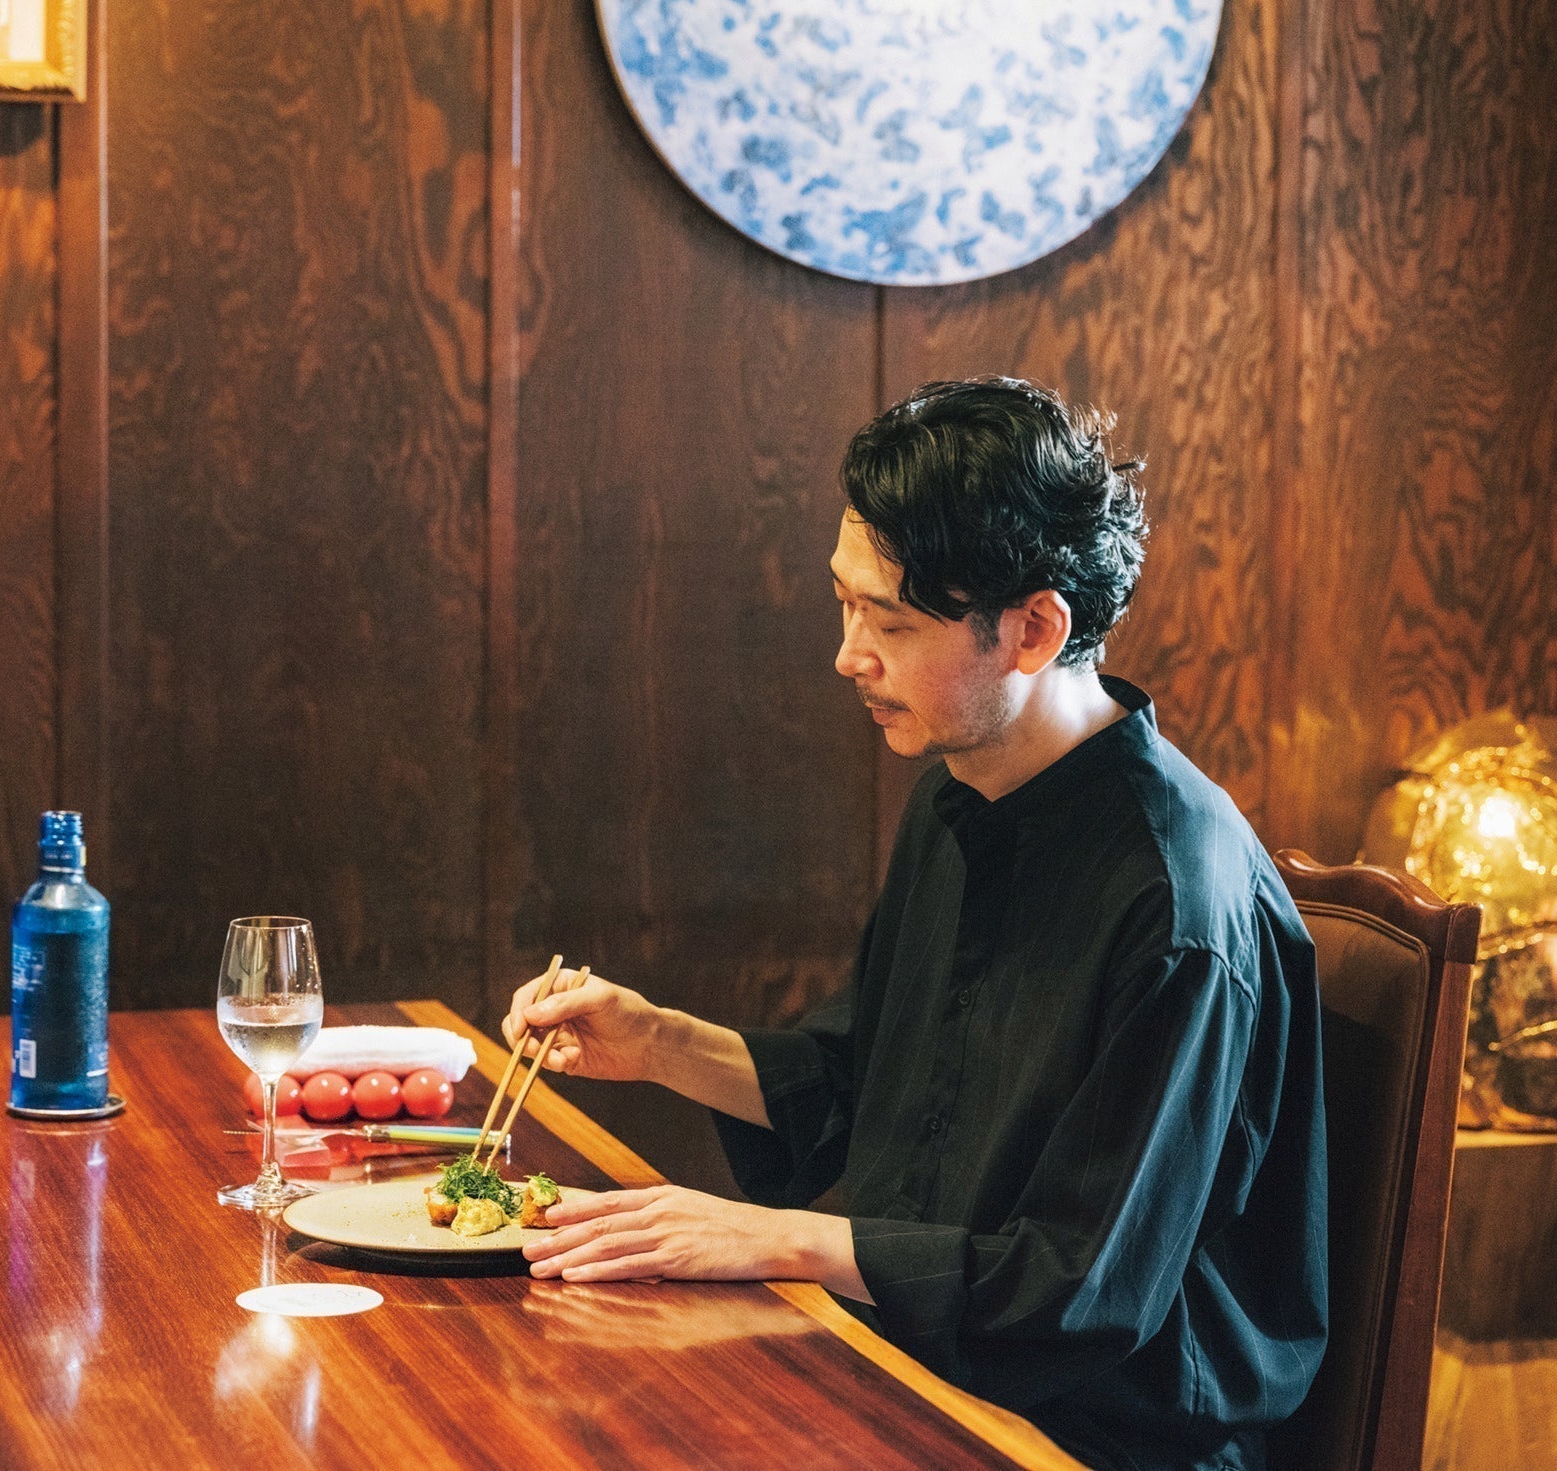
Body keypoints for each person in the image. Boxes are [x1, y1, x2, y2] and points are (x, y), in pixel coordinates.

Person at [503, 378, 1328, 1471]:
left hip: (1094, 1436)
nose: (849, 655)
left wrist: (774, 1240)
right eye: (845, 605)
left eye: (890, 621)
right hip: (911, 1368)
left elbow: (1082, 1290)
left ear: (1033, 629)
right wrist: (655, 1041)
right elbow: (859, 1084)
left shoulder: (1175, 902)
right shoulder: (960, 792)